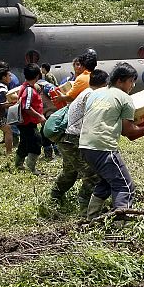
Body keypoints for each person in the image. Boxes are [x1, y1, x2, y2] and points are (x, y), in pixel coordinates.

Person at [80, 62, 144, 217]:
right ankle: (122, 223)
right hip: (103, 147)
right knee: (124, 186)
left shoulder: (95, 93)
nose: (133, 85)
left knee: (107, 182)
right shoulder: (125, 98)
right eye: (131, 81)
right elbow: (128, 131)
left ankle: (92, 217)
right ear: (120, 80)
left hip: (85, 145)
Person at [49, 68, 108, 213]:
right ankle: (85, 207)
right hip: (73, 139)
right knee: (92, 175)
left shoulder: (86, 91)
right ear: (104, 84)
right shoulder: (92, 95)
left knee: (70, 172)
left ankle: (55, 196)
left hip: (67, 138)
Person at [14, 63, 46, 174]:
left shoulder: (25, 86)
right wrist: (40, 117)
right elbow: (26, 107)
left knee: (24, 142)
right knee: (36, 141)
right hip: (28, 122)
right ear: (37, 76)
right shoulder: (29, 90)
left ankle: (18, 164)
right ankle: (31, 167)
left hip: (24, 122)